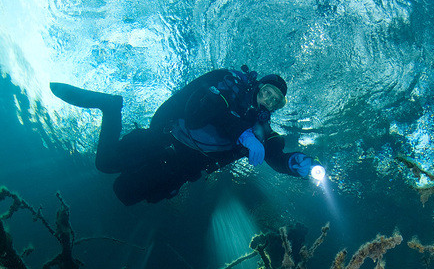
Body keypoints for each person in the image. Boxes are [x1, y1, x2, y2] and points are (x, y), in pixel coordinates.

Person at [50, 66, 320, 205]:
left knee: (123, 192)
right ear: (257, 87)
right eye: (266, 93)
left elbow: (274, 156)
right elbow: (198, 113)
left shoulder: (261, 127)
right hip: (165, 139)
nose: (267, 102)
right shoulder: (229, 86)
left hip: (178, 167)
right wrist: (243, 134)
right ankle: (111, 106)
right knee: (105, 163)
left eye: (274, 101)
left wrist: (295, 163)